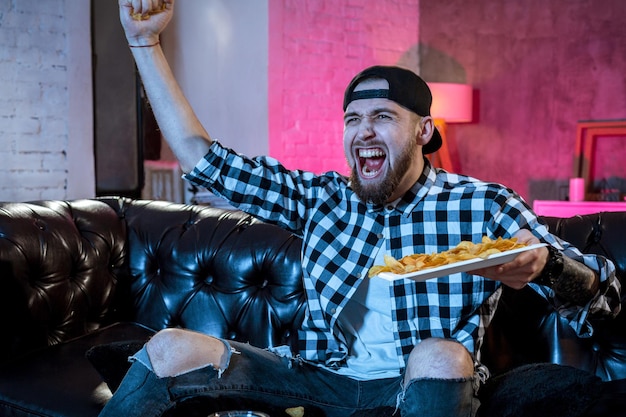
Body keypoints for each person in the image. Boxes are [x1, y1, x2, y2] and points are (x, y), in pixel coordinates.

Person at [103, 1, 621, 416]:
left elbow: (605, 295)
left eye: (382, 116)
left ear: (422, 130)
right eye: (352, 118)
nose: (363, 130)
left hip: (414, 388)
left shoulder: (482, 204)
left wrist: (548, 266)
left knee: (441, 352)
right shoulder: (323, 199)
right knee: (171, 346)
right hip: (314, 381)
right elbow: (201, 158)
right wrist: (144, 42)